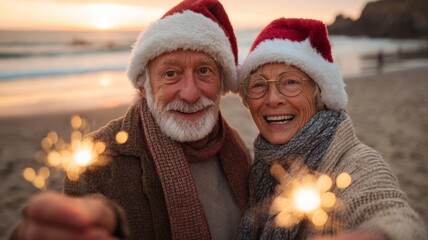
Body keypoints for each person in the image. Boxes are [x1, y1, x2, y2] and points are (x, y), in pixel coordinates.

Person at [10, 0, 251, 239]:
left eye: (204, 71)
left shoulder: (235, 147)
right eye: (170, 73)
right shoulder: (99, 161)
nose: (190, 93)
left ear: (222, 82)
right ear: (144, 88)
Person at [237, 18, 427, 240]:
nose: (273, 99)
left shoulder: (357, 162)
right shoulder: (257, 168)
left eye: (290, 82)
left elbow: (394, 215)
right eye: (258, 85)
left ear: (320, 94)